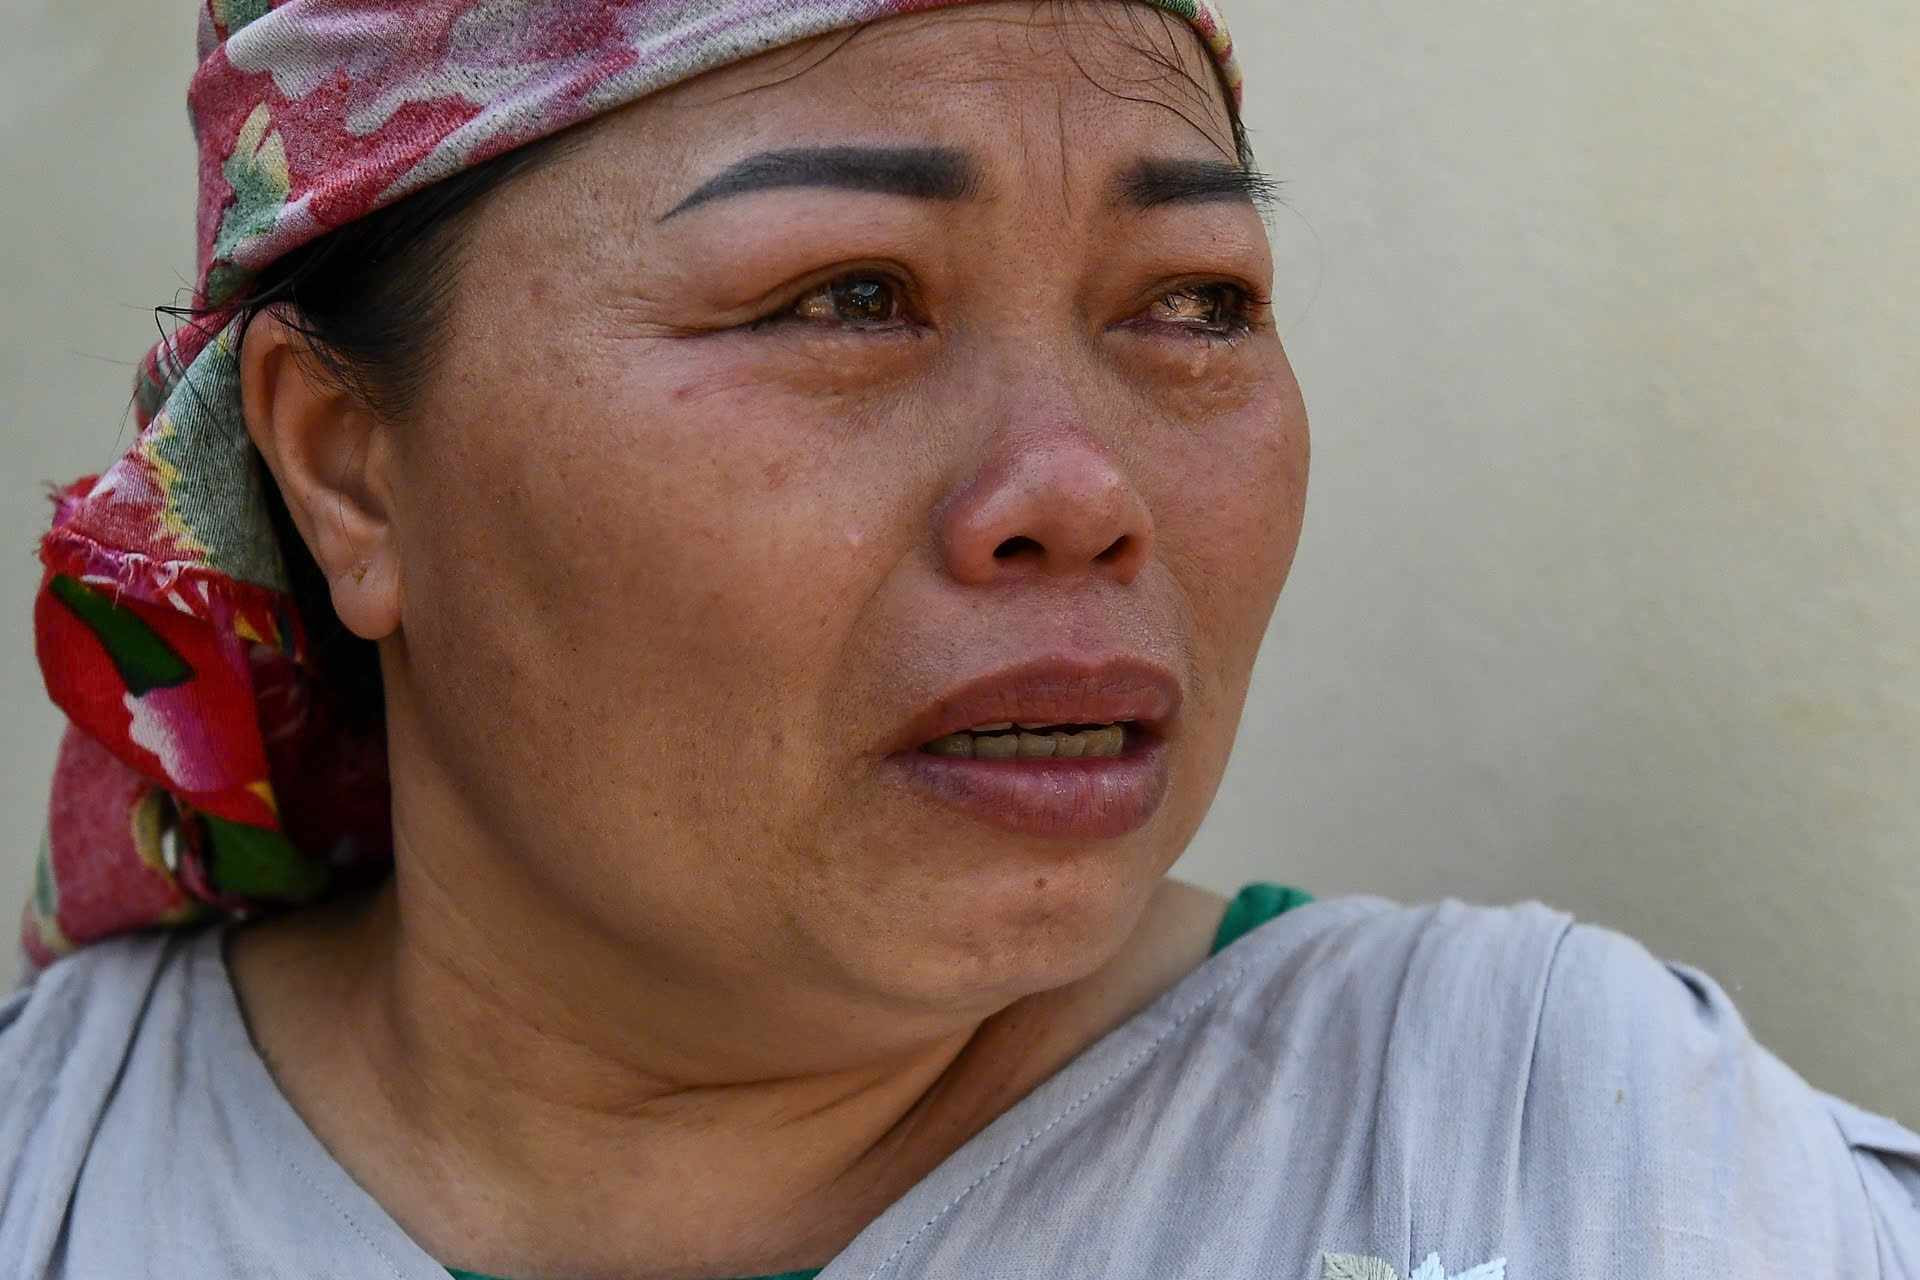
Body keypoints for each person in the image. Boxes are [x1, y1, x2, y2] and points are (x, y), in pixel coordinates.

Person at [4, 2, 1916, 1277]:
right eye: (848, 297)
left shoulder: (1564, 1157)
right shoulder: (52, 1175)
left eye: (1193, 301)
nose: (1081, 490)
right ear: (349, 472)